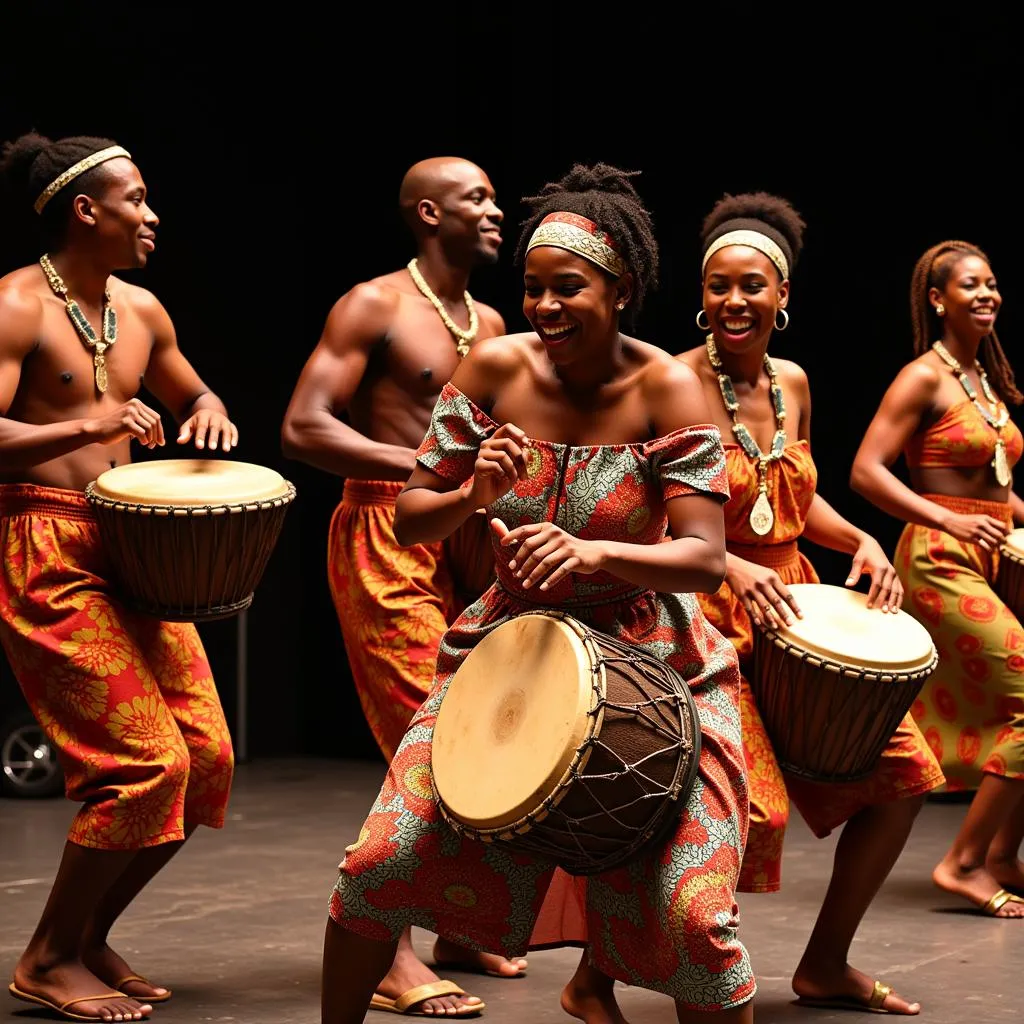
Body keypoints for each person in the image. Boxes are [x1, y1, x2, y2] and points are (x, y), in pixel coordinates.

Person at [321, 163, 756, 1024]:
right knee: (378, 865)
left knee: (694, 919)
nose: (545, 309)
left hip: (655, 664)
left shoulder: (667, 387)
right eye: (532, 290)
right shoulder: (490, 370)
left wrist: (594, 550)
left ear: (622, 287)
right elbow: (411, 521)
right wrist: (472, 497)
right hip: (509, 652)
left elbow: (706, 558)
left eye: (569, 290)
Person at [677, 193, 945, 1015]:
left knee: (904, 779)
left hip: (790, 602)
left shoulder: (792, 383)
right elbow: (650, 514)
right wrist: (728, 567)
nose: (734, 301)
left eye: (752, 286)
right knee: (740, 807)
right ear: (702, 293)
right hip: (702, 608)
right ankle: (606, 974)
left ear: (783, 296)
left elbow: (794, 497)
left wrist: (859, 540)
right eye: (719, 286)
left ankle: (825, 962)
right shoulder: (675, 383)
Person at [0, 133, 237, 1023]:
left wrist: (208, 418)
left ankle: (90, 931)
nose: (152, 214)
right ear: (84, 210)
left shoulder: (143, 310)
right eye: (135, 198)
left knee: (204, 759)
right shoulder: (16, 306)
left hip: (130, 546)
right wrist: (86, 424)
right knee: (142, 764)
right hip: (44, 543)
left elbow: (197, 395)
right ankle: (48, 957)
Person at [282, 158, 516, 1017]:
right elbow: (303, 425)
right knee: (429, 730)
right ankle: (391, 950)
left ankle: (460, 926)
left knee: (487, 730)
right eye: (478, 198)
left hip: (465, 533)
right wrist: (427, 466)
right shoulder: (373, 304)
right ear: (429, 212)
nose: (497, 210)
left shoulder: (488, 320)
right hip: (385, 530)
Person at [851, 239, 1024, 920]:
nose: (986, 294)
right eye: (970, 285)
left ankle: (1005, 857)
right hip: (937, 558)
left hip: (988, 550)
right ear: (937, 298)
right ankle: (962, 862)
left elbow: (996, 488)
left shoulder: (984, 379)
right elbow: (866, 470)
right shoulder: (923, 376)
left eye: (992, 283)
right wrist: (949, 522)